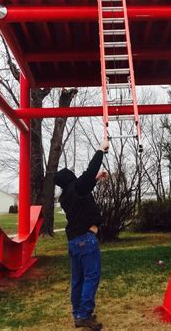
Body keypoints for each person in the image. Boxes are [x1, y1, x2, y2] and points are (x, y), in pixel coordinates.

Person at [54, 139, 110, 330]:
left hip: (74, 242)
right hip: (86, 240)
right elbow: (88, 173)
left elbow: (83, 189)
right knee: (92, 277)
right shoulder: (76, 188)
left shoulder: (66, 195)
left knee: (78, 279)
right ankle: (84, 315)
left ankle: (78, 312)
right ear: (71, 179)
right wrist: (100, 150)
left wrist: (95, 180)